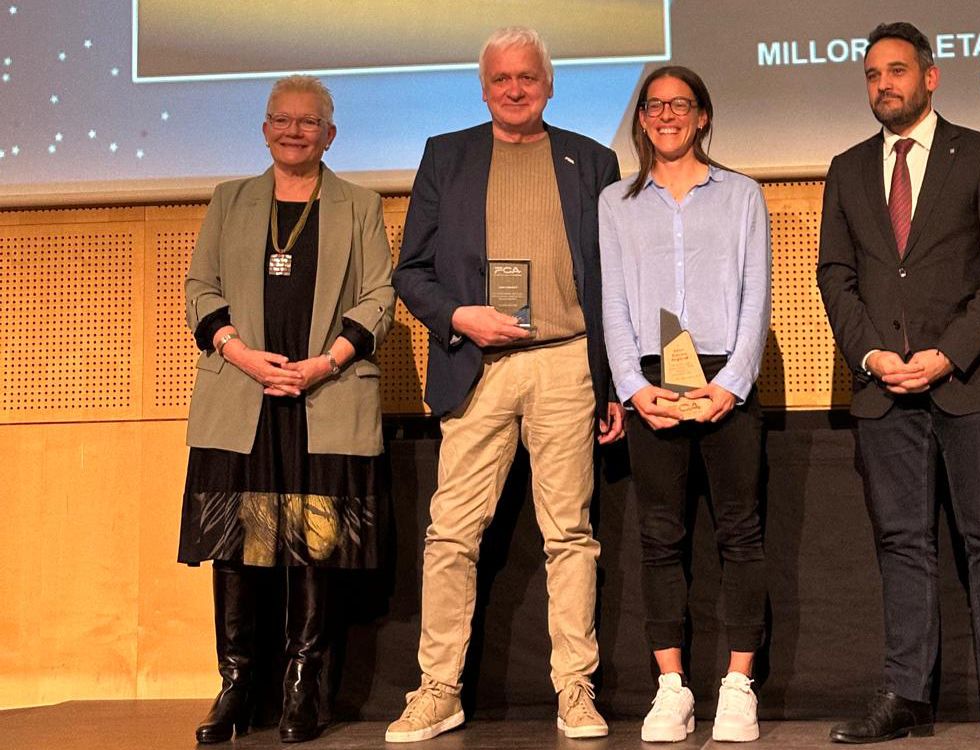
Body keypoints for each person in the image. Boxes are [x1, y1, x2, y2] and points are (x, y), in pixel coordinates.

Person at [387, 26, 624, 743]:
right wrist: (461, 316)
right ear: (483, 88)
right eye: (501, 80)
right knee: (452, 535)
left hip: (568, 361)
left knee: (570, 536)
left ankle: (576, 691)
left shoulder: (594, 160)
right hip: (476, 366)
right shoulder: (446, 156)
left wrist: (611, 381)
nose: (515, 89)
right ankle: (437, 690)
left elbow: (616, 280)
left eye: (527, 77)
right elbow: (410, 273)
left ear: (549, 85)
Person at [817, 22, 980, 750]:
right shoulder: (847, 168)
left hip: (968, 382)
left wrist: (947, 353)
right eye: (872, 73)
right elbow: (835, 276)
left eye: (897, 71)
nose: (884, 84)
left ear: (931, 76)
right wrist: (873, 355)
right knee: (902, 544)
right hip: (883, 389)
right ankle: (905, 695)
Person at [179, 74, 395, 744]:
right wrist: (241, 353)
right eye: (282, 120)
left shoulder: (358, 205)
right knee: (236, 546)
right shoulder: (230, 200)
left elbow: (379, 297)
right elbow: (199, 287)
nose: (294, 131)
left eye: (309, 122)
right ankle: (237, 684)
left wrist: (322, 363)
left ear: (330, 134)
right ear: (264, 128)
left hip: (321, 396)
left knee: (313, 542)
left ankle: (304, 684)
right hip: (242, 395)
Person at [599, 66, 770, 743]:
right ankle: (671, 688)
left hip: (725, 372)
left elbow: (757, 297)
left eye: (682, 104)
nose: (667, 114)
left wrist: (731, 384)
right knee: (659, 537)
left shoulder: (742, 195)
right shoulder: (616, 201)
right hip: (651, 379)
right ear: (641, 118)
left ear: (703, 116)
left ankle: (737, 686)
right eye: (654, 105)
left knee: (740, 532)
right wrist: (634, 391)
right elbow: (613, 302)